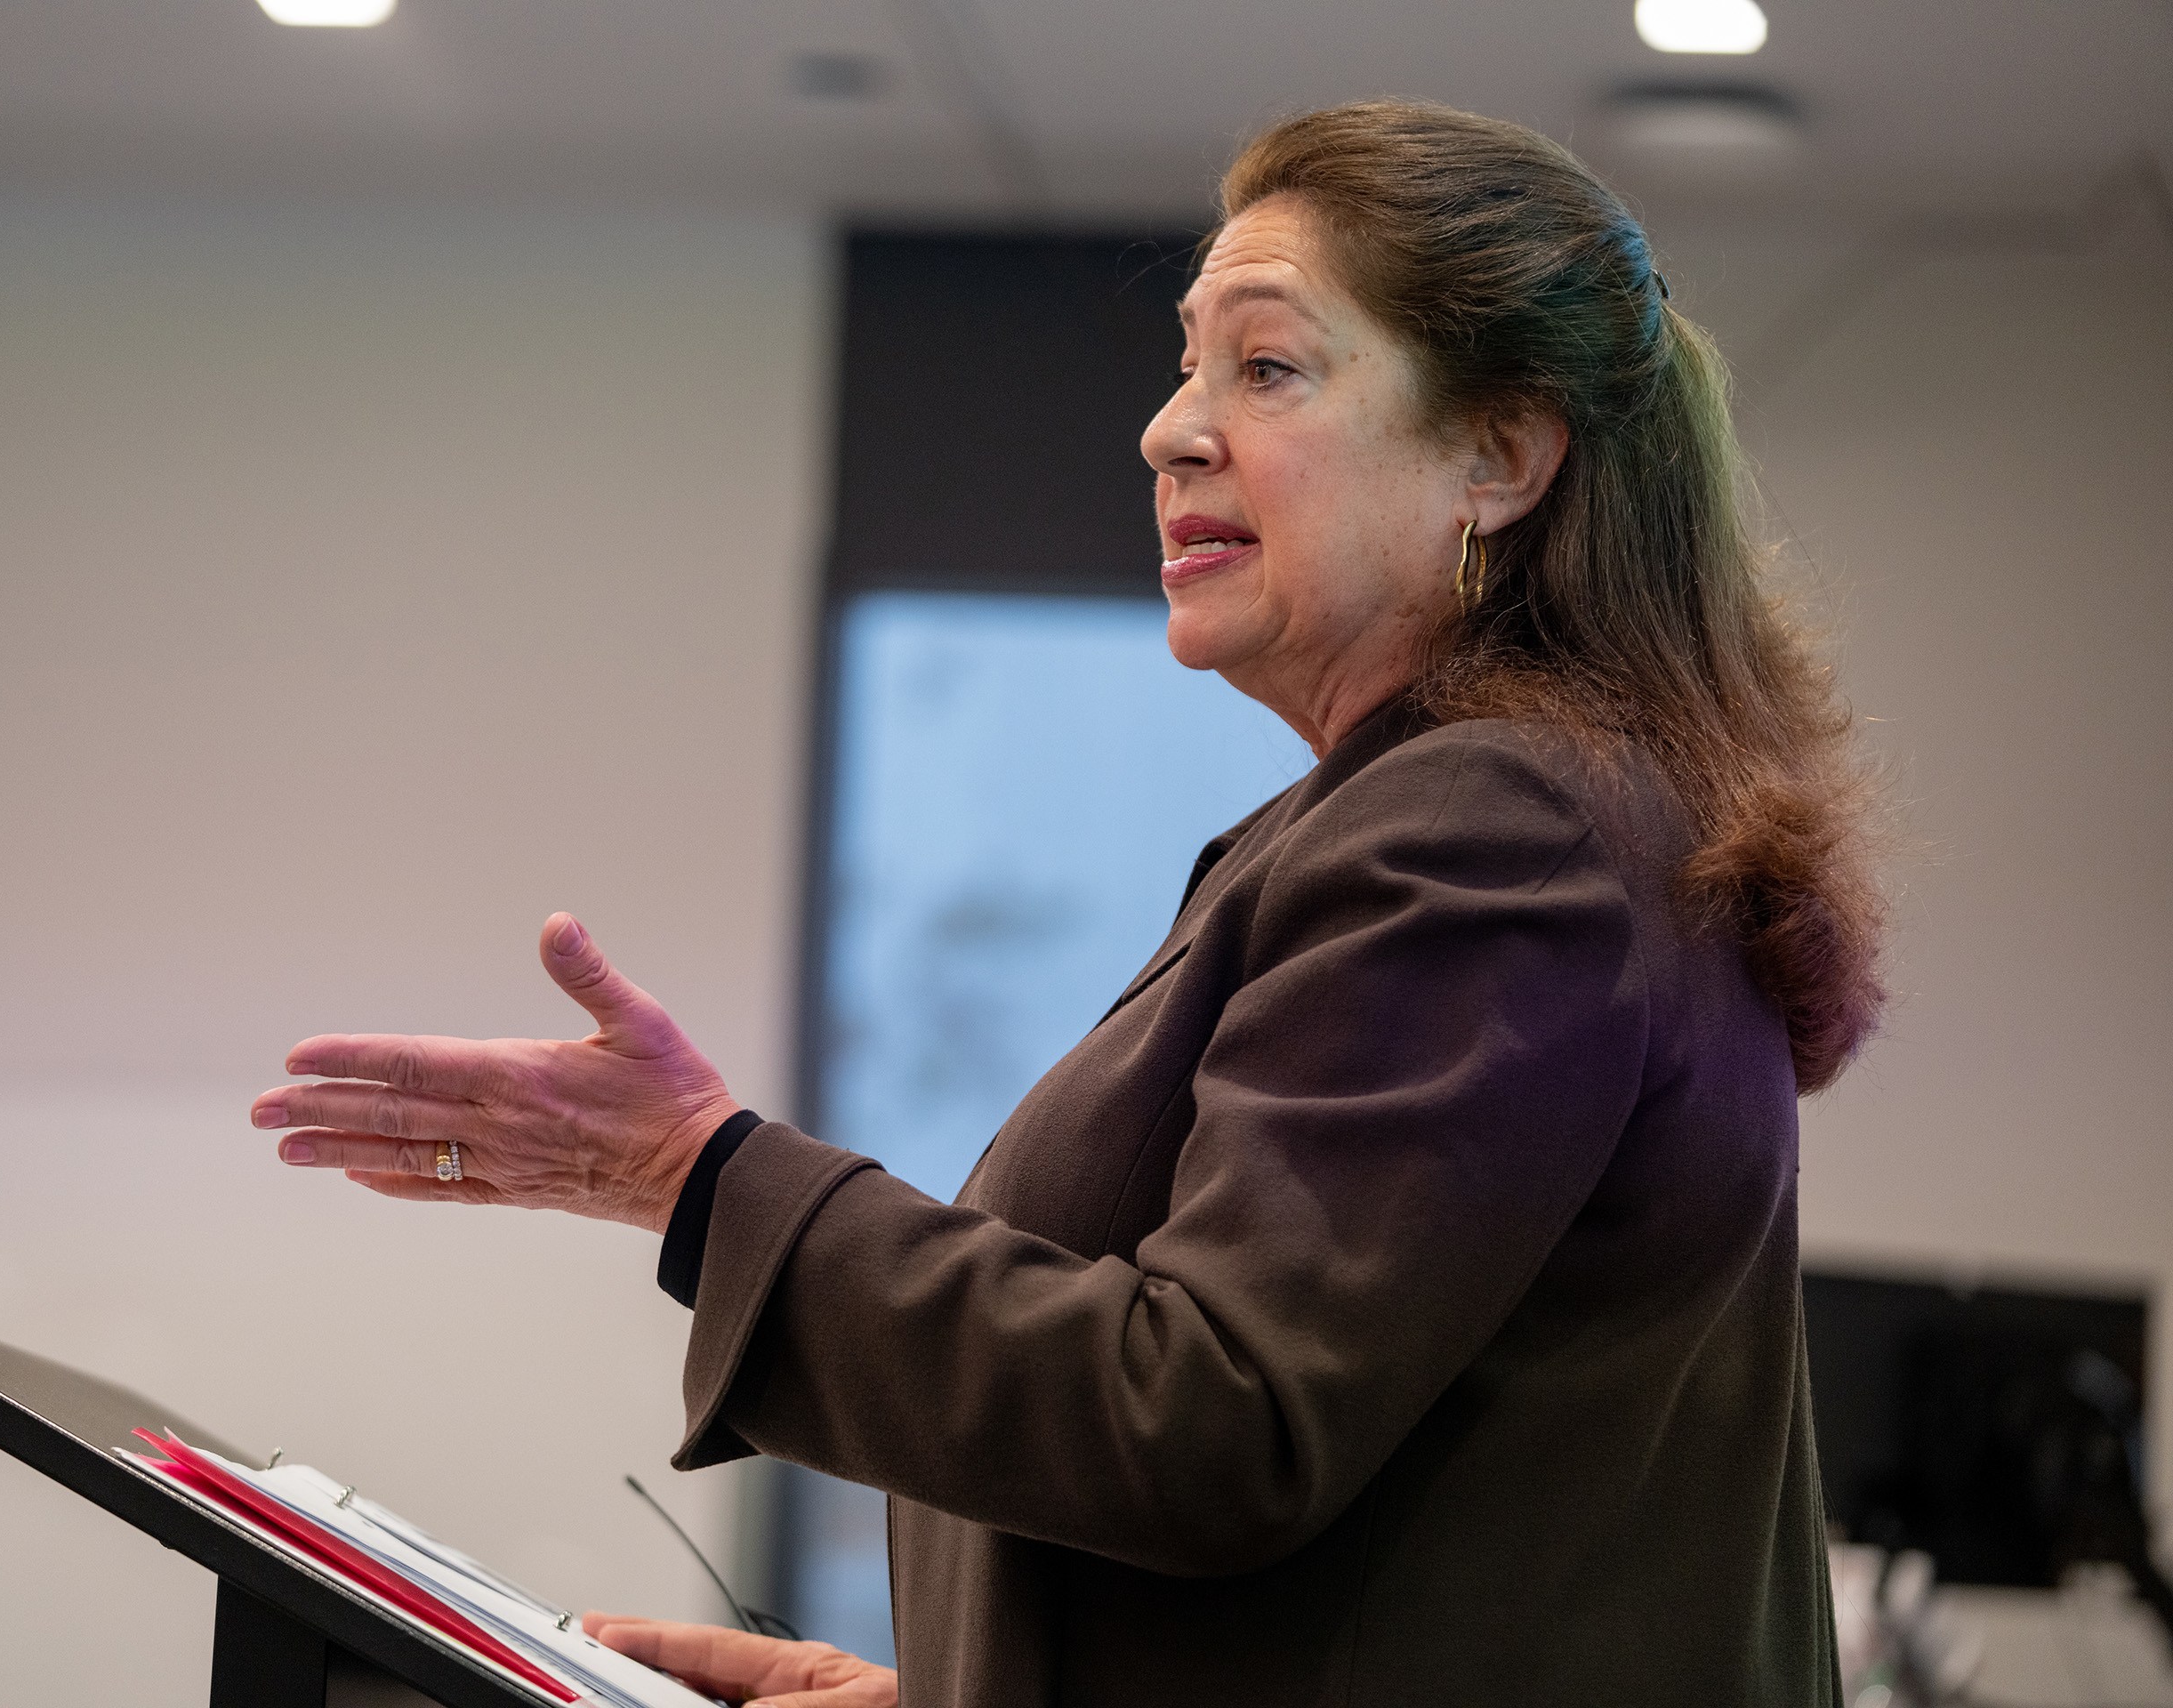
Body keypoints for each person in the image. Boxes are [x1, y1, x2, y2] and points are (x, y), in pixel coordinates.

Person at [251, 100, 1886, 1706]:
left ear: (1501, 456)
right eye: (1188, 362)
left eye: (1266, 365)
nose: (1170, 428)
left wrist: (700, 1178)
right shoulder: (1483, 813)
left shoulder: (1498, 828)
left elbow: (1214, 1420)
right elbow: (1401, 1537)